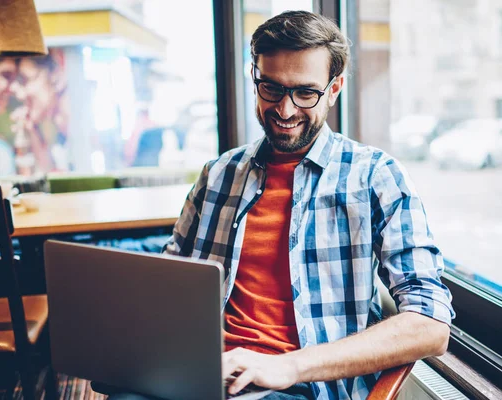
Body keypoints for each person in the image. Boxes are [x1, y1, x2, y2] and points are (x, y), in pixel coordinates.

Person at [100, 10, 454, 400]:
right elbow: (166, 284)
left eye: (305, 93)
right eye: (271, 88)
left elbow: (431, 326)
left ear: (334, 89)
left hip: (301, 386)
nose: (284, 111)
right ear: (256, 79)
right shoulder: (218, 174)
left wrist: (287, 365)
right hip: (202, 374)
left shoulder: (376, 176)